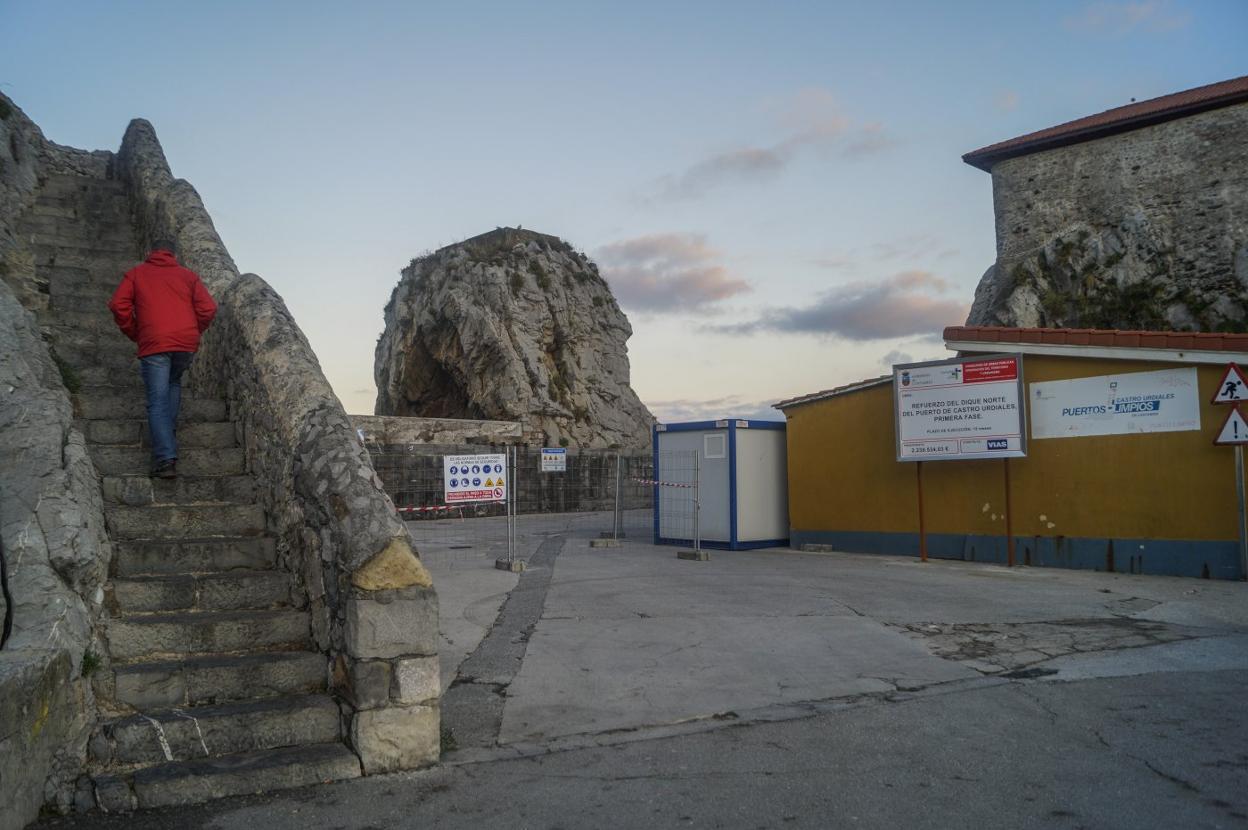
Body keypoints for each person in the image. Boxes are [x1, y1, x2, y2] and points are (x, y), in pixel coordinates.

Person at [108, 240, 217, 478]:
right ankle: (167, 433)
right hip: (185, 344)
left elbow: (118, 305)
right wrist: (192, 330)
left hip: (155, 342)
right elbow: (208, 309)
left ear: (149, 252)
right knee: (174, 382)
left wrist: (134, 331)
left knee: (157, 400)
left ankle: (166, 459)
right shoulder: (188, 276)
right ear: (174, 254)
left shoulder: (137, 274)